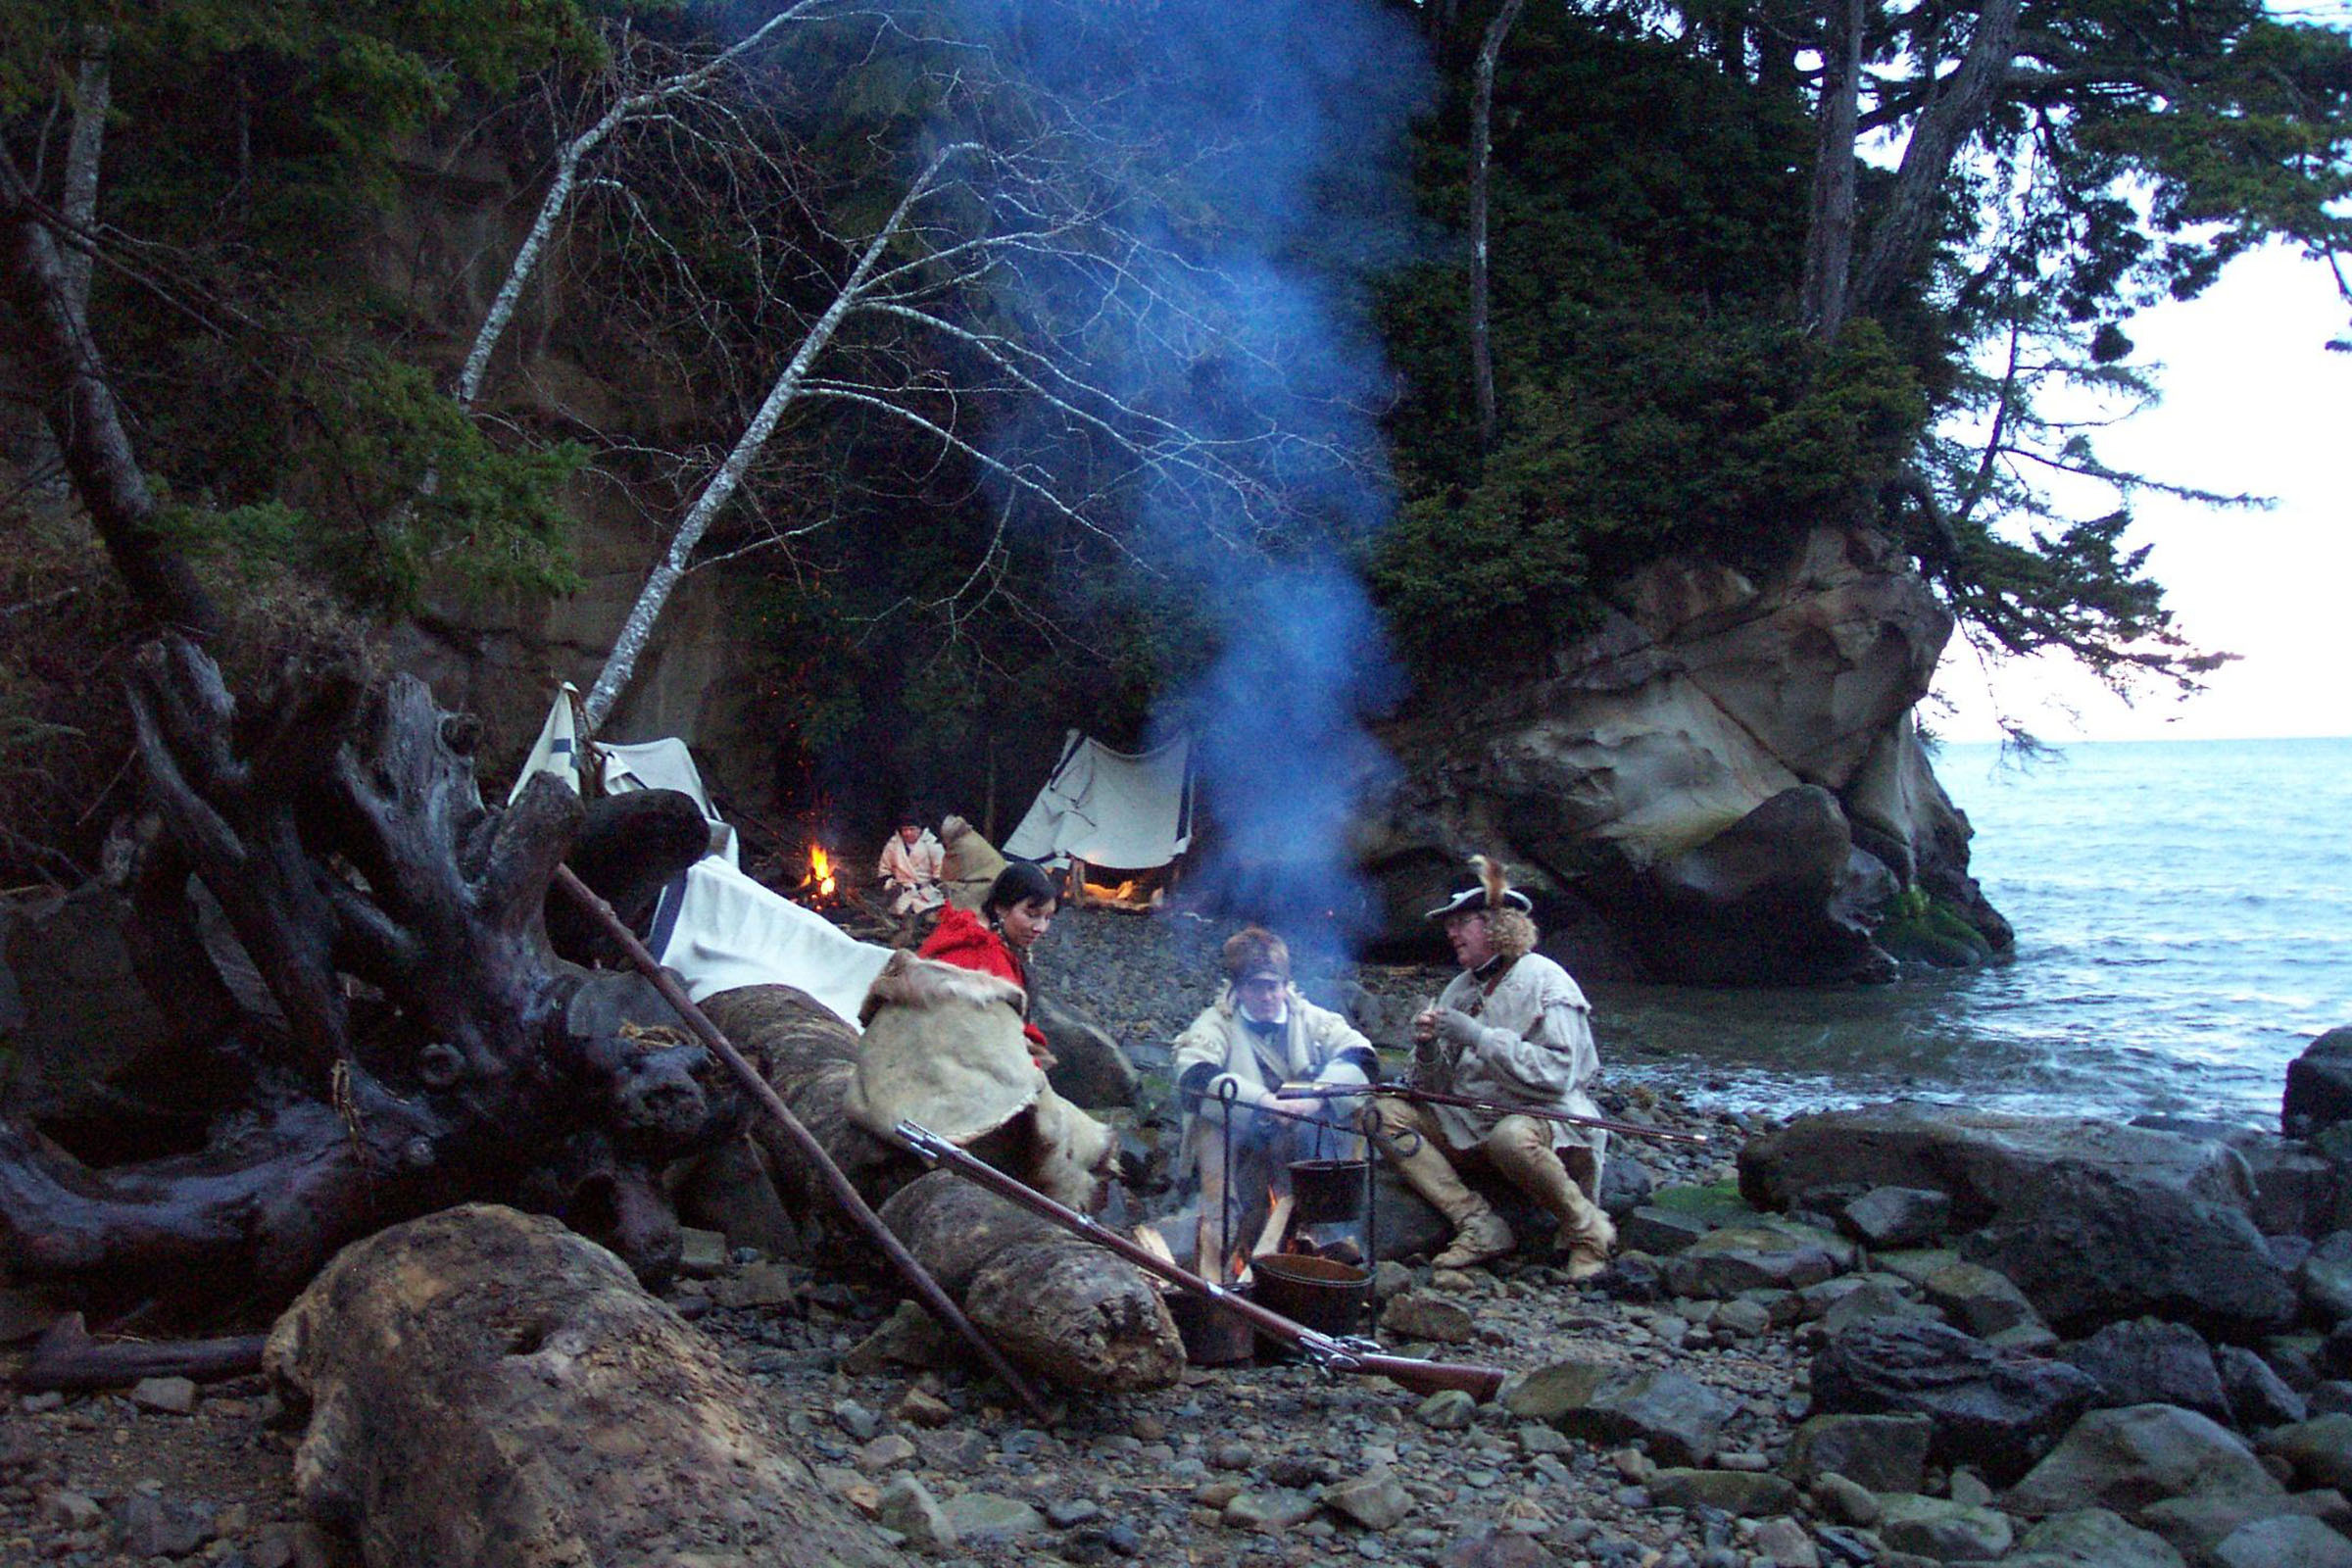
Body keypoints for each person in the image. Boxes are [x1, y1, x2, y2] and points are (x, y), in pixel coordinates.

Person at [1376, 856, 1617, 1277]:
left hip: (1545, 1118)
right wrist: (1428, 1049)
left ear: (1496, 925)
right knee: (1382, 1114)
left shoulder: (1548, 980)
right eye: (1449, 924)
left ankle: (1588, 1233)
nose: (1451, 932)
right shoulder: (1460, 988)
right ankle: (1477, 1223)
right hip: (1469, 1121)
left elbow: (1558, 1074)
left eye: (1461, 922)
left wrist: (1478, 1036)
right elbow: (1430, 1088)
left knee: (1511, 1137)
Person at [1171, 927, 1380, 1276]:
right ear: (1238, 988)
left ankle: (1323, 1237)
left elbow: (1362, 1056)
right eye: (1256, 987)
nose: (1267, 996)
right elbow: (1193, 1075)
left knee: (1349, 1109)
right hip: (1240, 1139)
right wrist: (1264, 1103)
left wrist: (1316, 1098)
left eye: (1274, 986)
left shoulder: (1309, 1017)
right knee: (1210, 1123)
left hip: (1301, 1136)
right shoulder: (1214, 1023)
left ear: (1285, 985)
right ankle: (1219, 1241)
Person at [918, 860, 1059, 1069]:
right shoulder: (985, 958)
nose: (1040, 928)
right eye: (1032, 915)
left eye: (1047, 918)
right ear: (1001, 907)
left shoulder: (971, 932)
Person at [877, 815, 947, 917]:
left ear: (919, 829)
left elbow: (941, 871)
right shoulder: (893, 845)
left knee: (930, 918)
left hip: (927, 894)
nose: (908, 833)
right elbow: (884, 870)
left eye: (912, 829)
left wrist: (929, 889)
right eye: (905, 830)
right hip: (901, 893)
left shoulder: (932, 844)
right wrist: (891, 885)